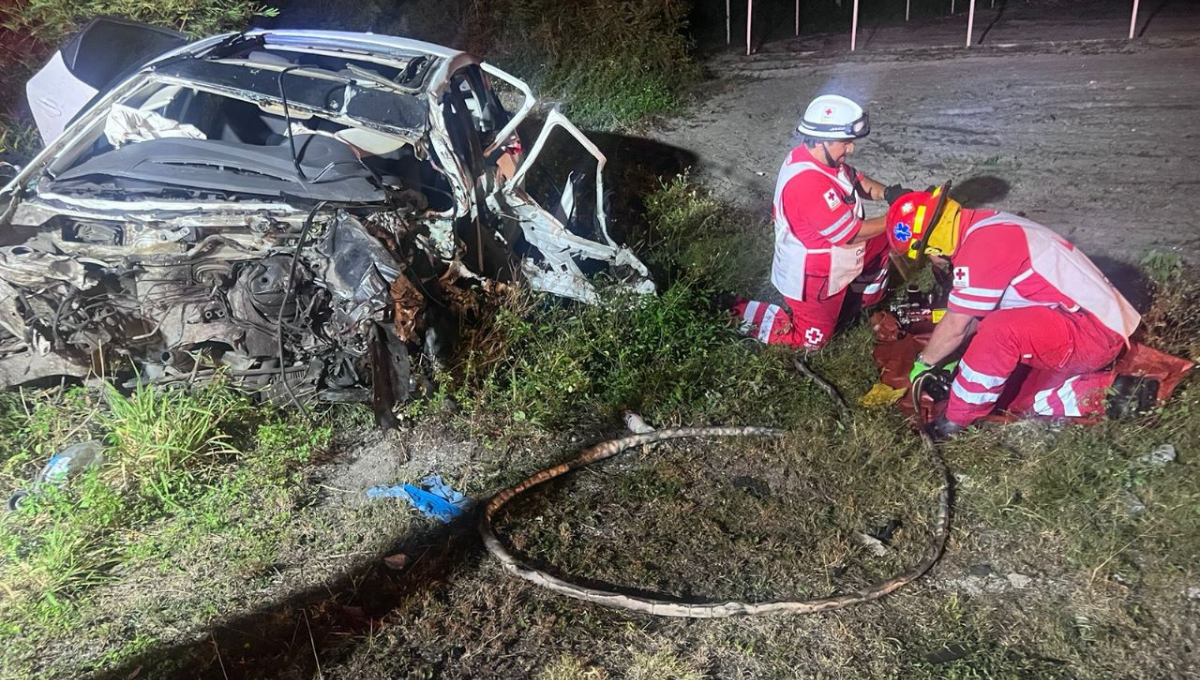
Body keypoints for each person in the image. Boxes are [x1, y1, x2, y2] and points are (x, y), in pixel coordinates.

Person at [884, 188, 1142, 439]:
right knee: (996, 350)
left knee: (999, 334)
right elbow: (973, 314)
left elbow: (957, 325)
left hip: (1093, 334)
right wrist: (949, 355)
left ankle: (958, 419)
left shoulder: (982, 248)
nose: (933, 262)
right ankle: (1105, 392)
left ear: (933, 246)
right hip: (1094, 320)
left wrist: (925, 362)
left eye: (927, 254)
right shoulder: (986, 226)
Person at [734, 94, 909, 349]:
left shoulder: (822, 159)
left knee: (884, 239)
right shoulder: (807, 184)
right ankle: (735, 311)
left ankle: (862, 303)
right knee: (812, 342)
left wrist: (890, 194)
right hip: (816, 276)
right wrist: (896, 216)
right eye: (845, 143)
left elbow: (856, 180)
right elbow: (850, 233)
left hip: (839, 257)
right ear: (822, 140)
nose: (851, 149)